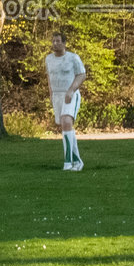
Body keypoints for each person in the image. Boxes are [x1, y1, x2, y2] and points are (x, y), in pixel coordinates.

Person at [45, 31, 88, 170]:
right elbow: (49, 77)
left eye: (58, 41)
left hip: (70, 94)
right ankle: (77, 161)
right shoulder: (48, 59)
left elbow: (81, 75)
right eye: (53, 41)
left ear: (64, 43)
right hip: (57, 95)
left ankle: (68, 161)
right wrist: (51, 94)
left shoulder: (73, 58)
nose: (55, 44)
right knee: (64, 125)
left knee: (67, 121)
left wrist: (71, 90)